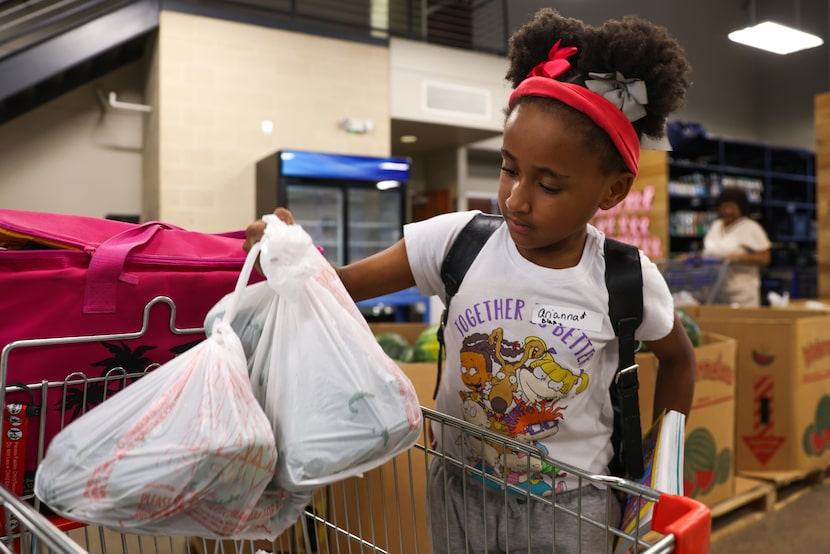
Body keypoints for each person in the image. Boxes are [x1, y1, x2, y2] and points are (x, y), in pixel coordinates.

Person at [245, 8, 695, 553]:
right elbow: (337, 286)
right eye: (509, 168)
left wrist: (653, 467)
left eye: (549, 185)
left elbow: (678, 358)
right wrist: (287, 254)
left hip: (573, 511)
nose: (516, 198)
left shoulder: (624, 278)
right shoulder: (458, 242)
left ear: (612, 191)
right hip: (457, 490)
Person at [701, 186, 771, 306]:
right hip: (715, 294)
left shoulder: (750, 227)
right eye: (724, 207)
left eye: (732, 207)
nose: (728, 211)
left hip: (742, 296)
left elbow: (765, 258)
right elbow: (709, 251)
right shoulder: (716, 225)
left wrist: (738, 257)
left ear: (741, 208)